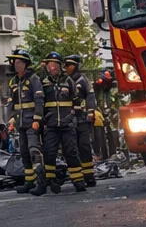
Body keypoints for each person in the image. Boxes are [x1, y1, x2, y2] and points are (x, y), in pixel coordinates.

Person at [36, 52, 85, 194]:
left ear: (59, 66)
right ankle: (51, 182)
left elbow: (76, 101)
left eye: (54, 65)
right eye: (49, 65)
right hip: (51, 125)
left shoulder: (68, 81)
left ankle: (78, 181)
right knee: (49, 153)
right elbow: (40, 103)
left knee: (71, 152)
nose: (51, 68)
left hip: (67, 124)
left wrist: (75, 118)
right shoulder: (43, 82)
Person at [4, 48, 45, 195]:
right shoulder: (14, 81)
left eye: (19, 62)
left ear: (26, 64)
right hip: (20, 123)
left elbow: (39, 100)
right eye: (15, 62)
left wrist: (37, 119)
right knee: (24, 153)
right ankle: (29, 182)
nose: (16, 65)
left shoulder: (33, 79)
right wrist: (11, 120)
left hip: (31, 121)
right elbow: (12, 103)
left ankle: (41, 183)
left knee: (34, 151)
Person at [64, 55, 101, 187]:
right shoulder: (65, 81)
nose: (66, 68)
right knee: (72, 148)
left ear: (75, 66)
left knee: (84, 146)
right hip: (69, 120)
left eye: (69, 65)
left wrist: (91, 112)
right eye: (65, 65)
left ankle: (89, 176)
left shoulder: (82, 80)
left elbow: (90, 96)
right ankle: (78, 176)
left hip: (82, 119)